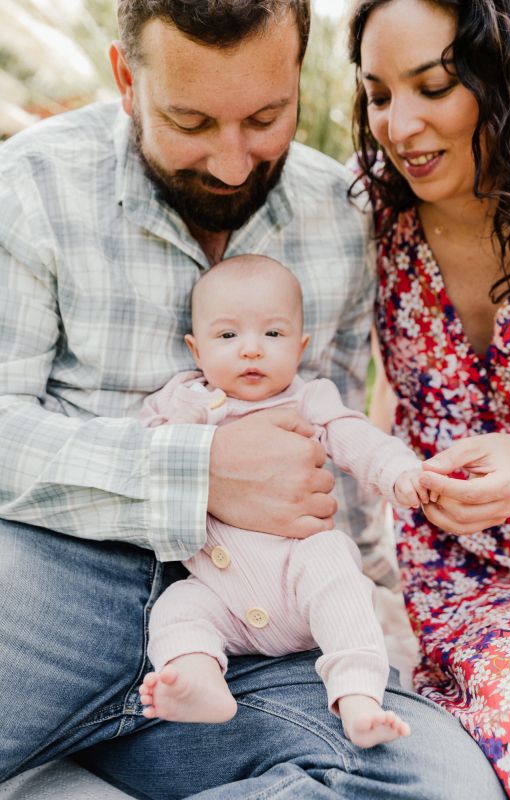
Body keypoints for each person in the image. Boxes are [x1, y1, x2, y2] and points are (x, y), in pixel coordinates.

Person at [0, 1, 506, 798]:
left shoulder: (339, 216)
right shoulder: (31, 187)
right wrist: (197, 468)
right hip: (57, 586)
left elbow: (333, 457)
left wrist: (371, 619)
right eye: (190, 120)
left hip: (260, 644)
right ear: (128, 78)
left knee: (439, 784)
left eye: (265, 117)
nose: (233, 163)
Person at [349, 0, 510, 796]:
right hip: (463, 575)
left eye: (432, 86)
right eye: (378, 94)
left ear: (504, 82)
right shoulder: (370, 226)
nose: (398, 124)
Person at [138, 253, 426, 747]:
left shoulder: (308, 399)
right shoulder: (179, 402)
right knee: (176, 608)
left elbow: (356, 437)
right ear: (196, 347)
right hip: (220, 595)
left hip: (301, 581)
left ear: (300, 345)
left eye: (273, 335)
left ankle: (359, 695)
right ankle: (198, 679)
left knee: (337, 567)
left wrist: (399, 472)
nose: (251, 350)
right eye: (228, 336)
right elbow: (143, 460)